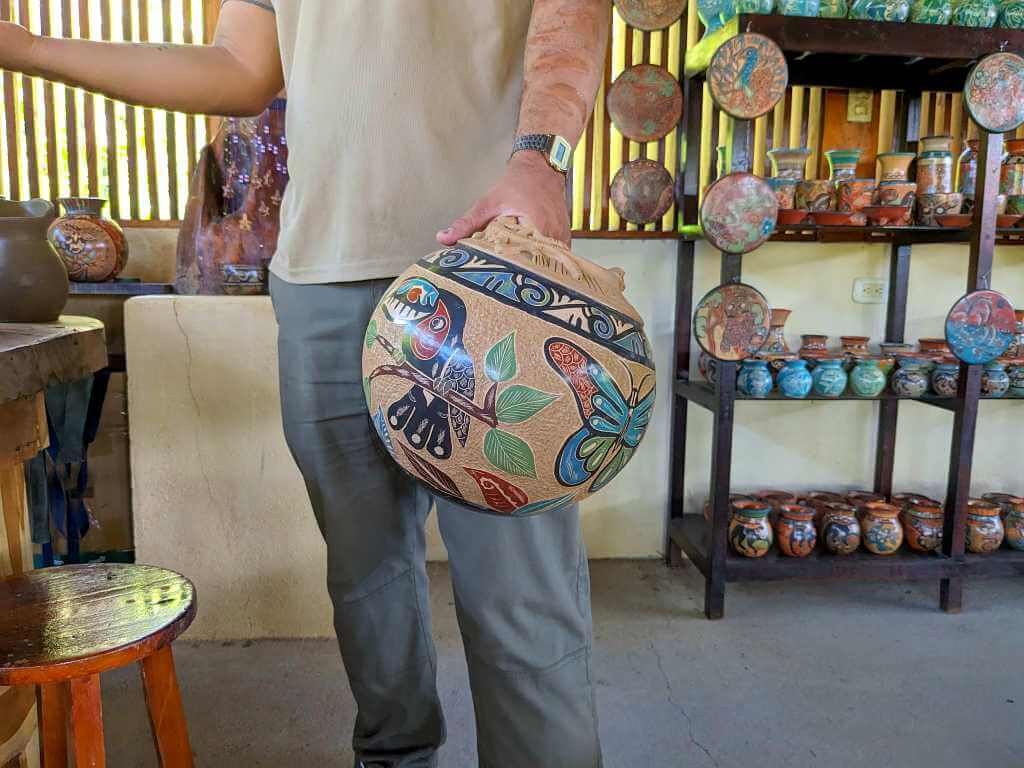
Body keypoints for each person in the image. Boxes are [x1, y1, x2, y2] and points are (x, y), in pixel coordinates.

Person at [0, 2, 610, 765]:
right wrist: (24, 48)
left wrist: (540, 157)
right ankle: (393, 756)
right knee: (367, 586)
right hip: (321, 280)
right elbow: (241, 69)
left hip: (486, 268)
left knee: (521, 597)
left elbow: (574, 12)